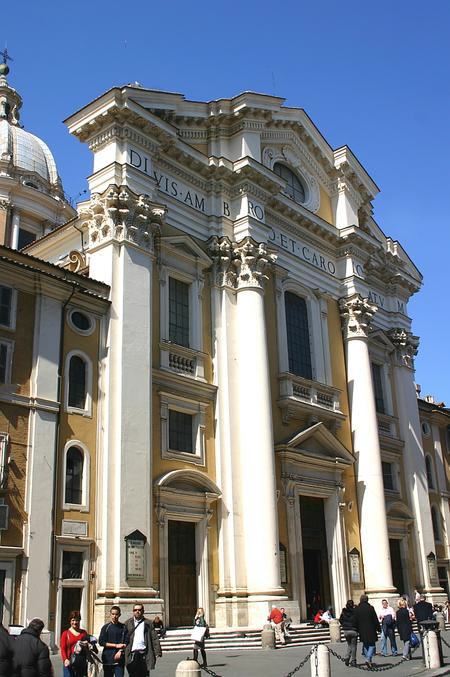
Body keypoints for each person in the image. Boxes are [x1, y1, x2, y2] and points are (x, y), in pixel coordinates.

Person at [124, 603, 162, 676]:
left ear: (143, 611)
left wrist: (157, 651)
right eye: (135, 610)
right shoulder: (128, 623)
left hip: (144, 653)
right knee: (132, 674)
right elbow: (123, 638)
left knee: (144, 674)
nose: (137, 611)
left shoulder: (148, 623)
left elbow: (154, 638)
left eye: (139, 610)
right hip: (132, 654)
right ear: (133, 611)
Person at [99, 605, 129, 677]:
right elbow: (101, 642)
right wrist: (115, 645)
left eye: (116, 614)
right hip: (108, 659)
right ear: (110, 614)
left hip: (119, 659)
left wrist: (120, 650)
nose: (114, 616)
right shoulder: (106, 627)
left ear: (119, 615)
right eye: (113, 614)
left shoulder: (123, 627)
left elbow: (126, 641)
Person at [60, 610, 90, 676]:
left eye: (77, 620)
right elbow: (63, 649)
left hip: (81, 662)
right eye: (73, 620)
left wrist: (86, 644)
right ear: (70, 621)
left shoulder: (83, 633)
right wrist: (65, 659)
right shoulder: (65, 634)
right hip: (69, 662)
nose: (75, 622)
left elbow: (88, 647)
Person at [354, 594, 381, 669]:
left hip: (361, 630)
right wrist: (378, 628)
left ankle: (369, 661)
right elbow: (375, 619)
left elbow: (355, 620)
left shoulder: (357, 609)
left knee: (365, 645)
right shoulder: (370, 608)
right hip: (371, 629)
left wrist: (357, 629)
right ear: (367, 600)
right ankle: (368, 659)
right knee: (372, 645)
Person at [339, 600, 358, 667]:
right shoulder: (355, 612)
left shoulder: (343, 612)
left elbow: (340, 620)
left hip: (346, 631)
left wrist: (344, 625)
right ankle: (353, 660)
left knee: (349, 645)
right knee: (354, 646)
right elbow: (357, 620)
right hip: (353, 630)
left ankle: (347, 657)